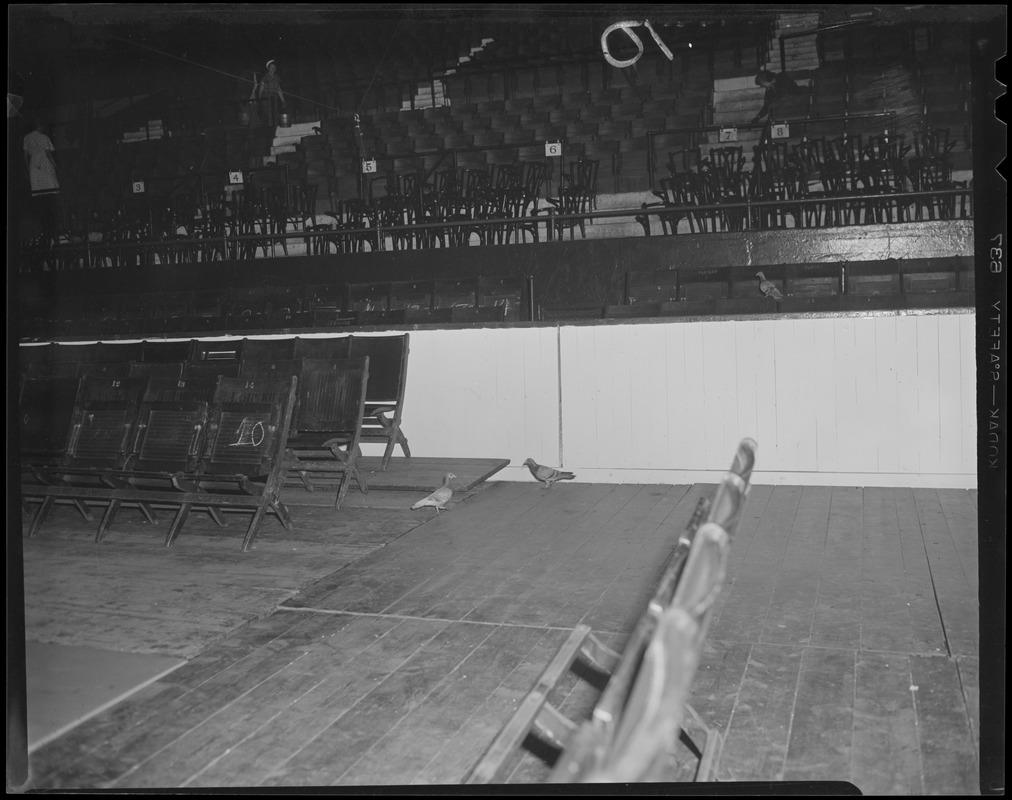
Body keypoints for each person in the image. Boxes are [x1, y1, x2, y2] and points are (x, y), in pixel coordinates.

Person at [22, 117, 61, 244]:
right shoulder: (44, 137)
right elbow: (48, 153)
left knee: (39, 191)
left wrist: (28, 168)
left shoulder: (27, 137)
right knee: (51, 189)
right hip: (43, 163)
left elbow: (25, 154)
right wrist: (55, 165)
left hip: (34, 165)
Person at [256, 59, 287, 129]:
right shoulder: (264, 78)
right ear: (268, 68)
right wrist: (259, 100)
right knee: (268, 114)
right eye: (272, 67)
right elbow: (261, 89)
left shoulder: (277, 77)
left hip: (274, 97)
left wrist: (283, 100)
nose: (273, 69)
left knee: (275, 113)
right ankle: (269, 129)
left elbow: (279, 89)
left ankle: (275, 127)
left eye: (274, 67)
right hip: (266, 98)